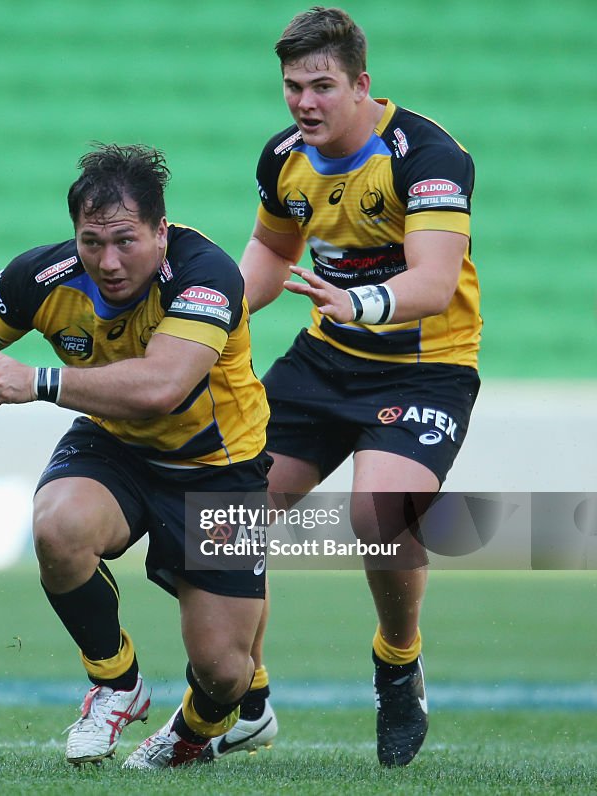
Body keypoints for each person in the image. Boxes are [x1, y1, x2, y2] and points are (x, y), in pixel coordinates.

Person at [0, 143, 277, 769]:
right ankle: (116, 685)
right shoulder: (40, 278)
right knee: (57, 525)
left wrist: (37, 382)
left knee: (225, 673)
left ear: (160, 231)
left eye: (125, 240)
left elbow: (161, 387)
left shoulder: (207, 275)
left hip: (217, 469)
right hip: (116, 445)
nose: (108, 261)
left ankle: (190, 733)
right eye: (91, 243)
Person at [217, 6, 482, 767]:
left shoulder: (426, 155)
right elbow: (270, 251)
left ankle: (398, 662)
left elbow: (433, 283)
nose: (305, 102)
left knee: (377, 514)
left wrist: (360, 302)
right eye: (294, 86)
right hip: (326, 360)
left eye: (323, 86)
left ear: (362, 85)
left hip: (427, 364)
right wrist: (205, 322)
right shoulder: (285, 157)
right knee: (227, 513)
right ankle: (247, 698)